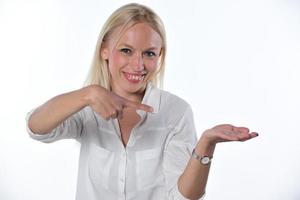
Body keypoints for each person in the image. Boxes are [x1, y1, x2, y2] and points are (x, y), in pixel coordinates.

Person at [25, 3, 258, 200]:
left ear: (160, 56)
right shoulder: (87, 106)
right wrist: (88, 94)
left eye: (149, 53)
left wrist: (206, 144)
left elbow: (184, 196)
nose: (138, 65)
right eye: (126, 50)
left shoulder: (175, 111)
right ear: (104, 50)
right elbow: (36, 128)